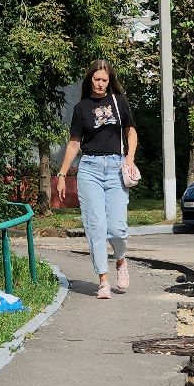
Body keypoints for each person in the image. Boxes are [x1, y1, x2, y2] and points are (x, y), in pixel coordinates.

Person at [54, 60, 139, 299]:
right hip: (89, 168)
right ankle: (102, 279)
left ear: (109, 81)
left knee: (117, 229)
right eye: (96, 79)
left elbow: (131, 131)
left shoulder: (119, 102)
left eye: (104, 80)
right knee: (96, 227)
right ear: (90, 79)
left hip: (116, 167)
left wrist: (129, 158)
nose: (100, 84)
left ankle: (120, 259)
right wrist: (62, 174)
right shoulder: (81, 108)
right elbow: (74, 143)